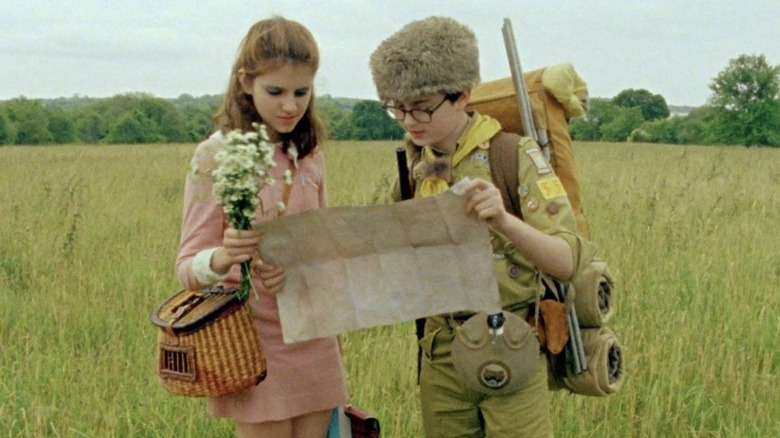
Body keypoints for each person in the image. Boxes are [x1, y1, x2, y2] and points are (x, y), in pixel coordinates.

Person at [369, 16, 594, 437]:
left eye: (422, 107)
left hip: (510, 346)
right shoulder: (417, 167)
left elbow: (567, 262)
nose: (408, 120)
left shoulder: (513, 155)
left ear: (463, 96)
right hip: (441, 354)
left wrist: (504, 220)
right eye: (397, 107)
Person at [176, 16, 348, 438]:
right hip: (251, 339)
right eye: (276, 91)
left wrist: (303, 267)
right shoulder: (216, 155)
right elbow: (186, 268)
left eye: (301, 92)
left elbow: (323, 246)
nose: (290, 105)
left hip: (314, 333)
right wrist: (225, 256)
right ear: (245, 82)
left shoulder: (309, 154)